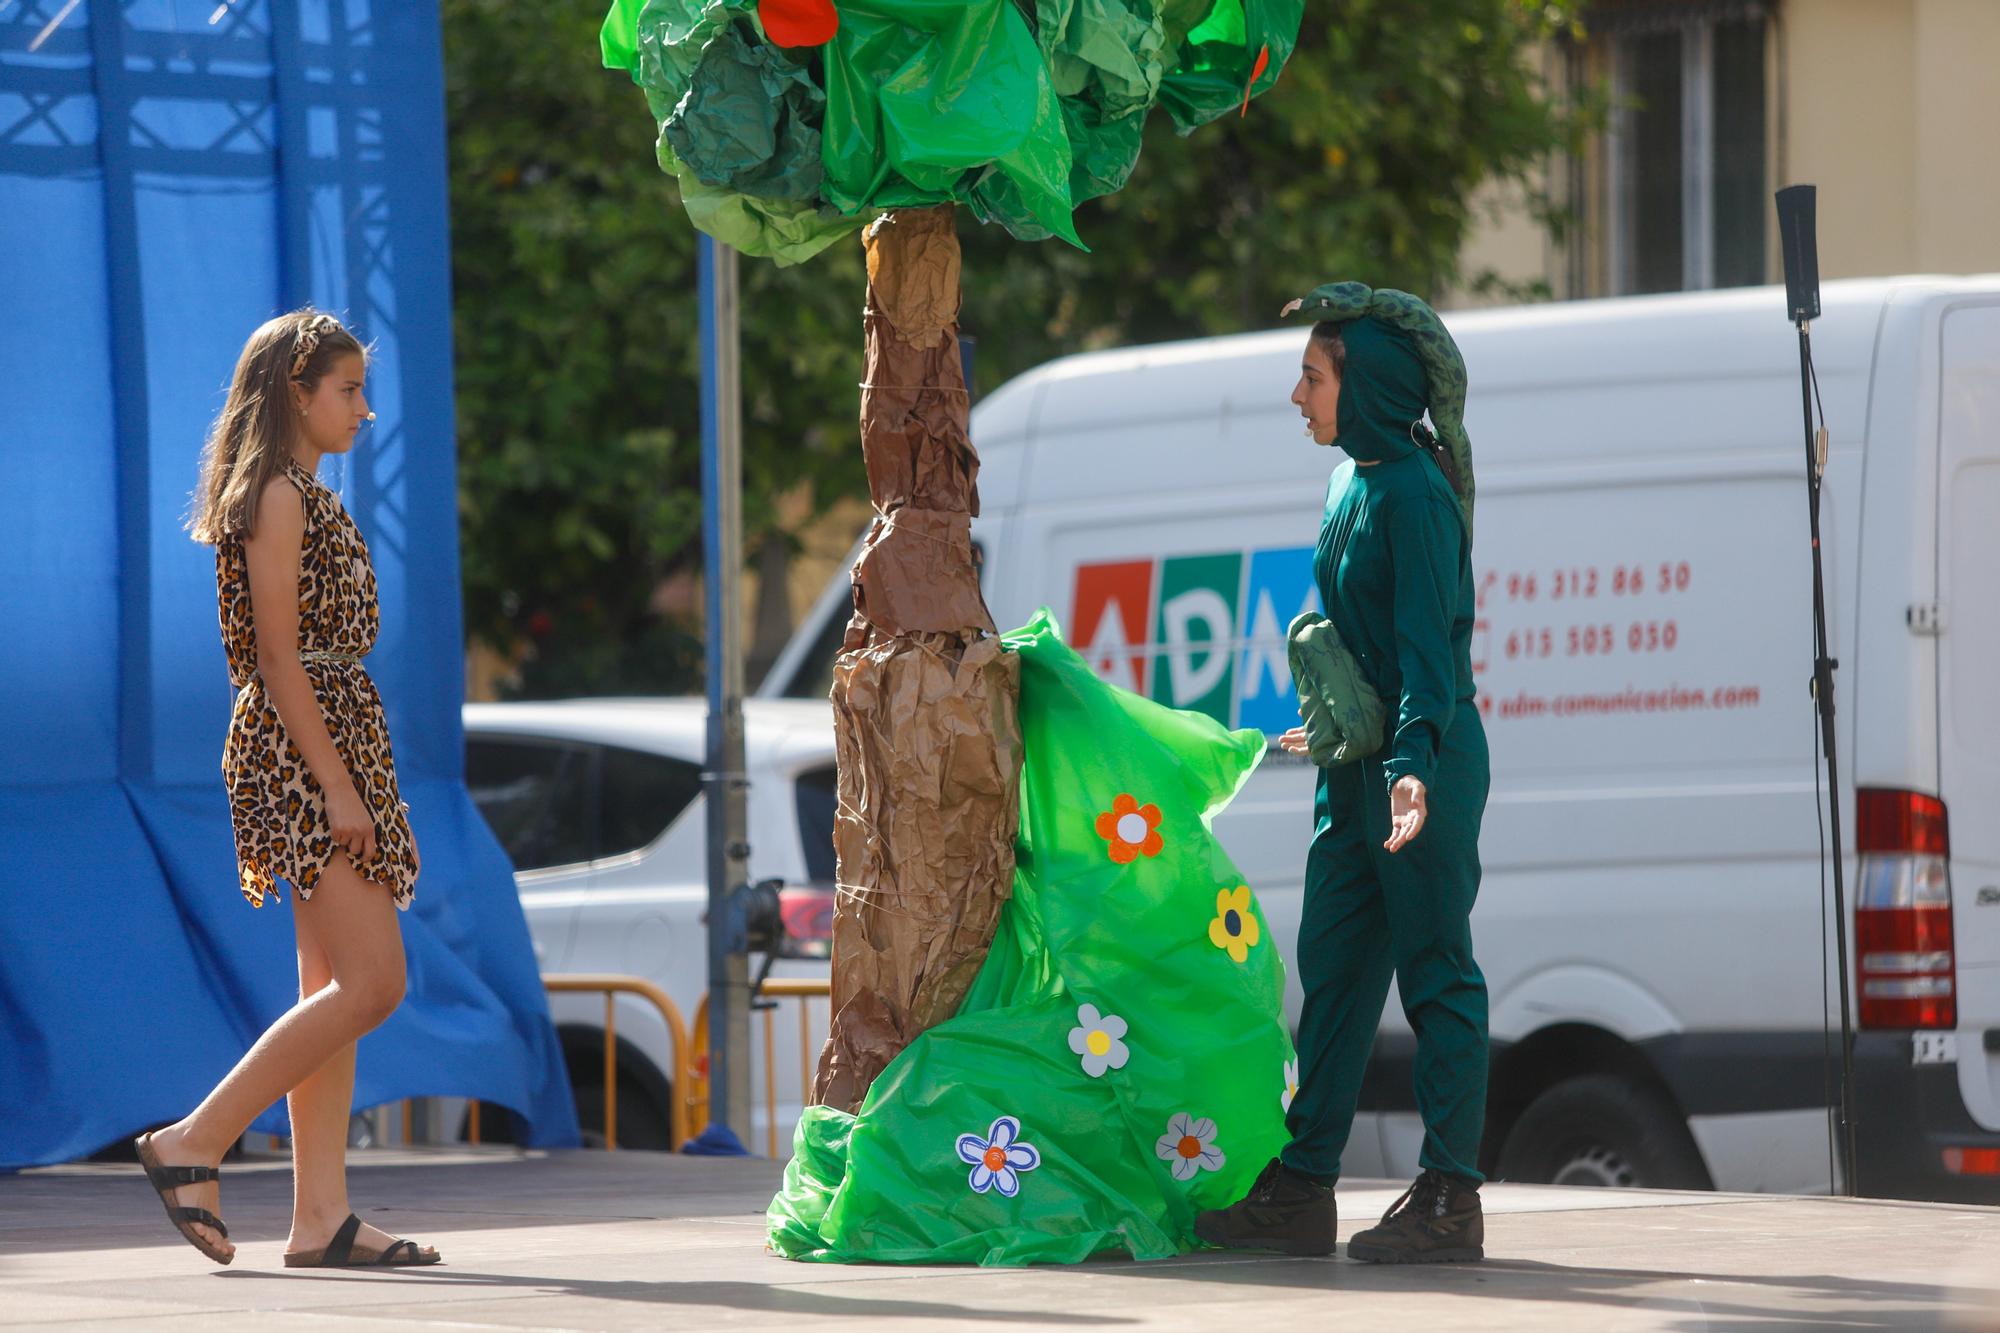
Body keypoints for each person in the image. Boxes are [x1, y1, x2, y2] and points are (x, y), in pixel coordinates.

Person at [136, 310, 441, 1269]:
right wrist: (340, 787)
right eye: (347, 390)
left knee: (331, 987)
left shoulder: (304, 493)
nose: (365, 409)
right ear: (295, 392)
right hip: (301, 747)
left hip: (331, 737)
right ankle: (192, 1139)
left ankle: (322, 1218)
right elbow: (276, 658)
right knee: (373, 982)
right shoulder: (276, 494)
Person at [1196, 282, 1490, 1263]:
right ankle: (1303, 1186)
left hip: (1423, 763)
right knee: (1332, 967)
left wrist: (1411, 769)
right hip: (1354, 766)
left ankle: (1451, 1195)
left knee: (1434, 971)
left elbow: (1426, 654)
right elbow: (1357, 638)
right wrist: (1324, 723)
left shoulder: (1413, 493)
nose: (1296, 394)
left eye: (1312, 376)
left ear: (1362, 386)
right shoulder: (1346, 483)